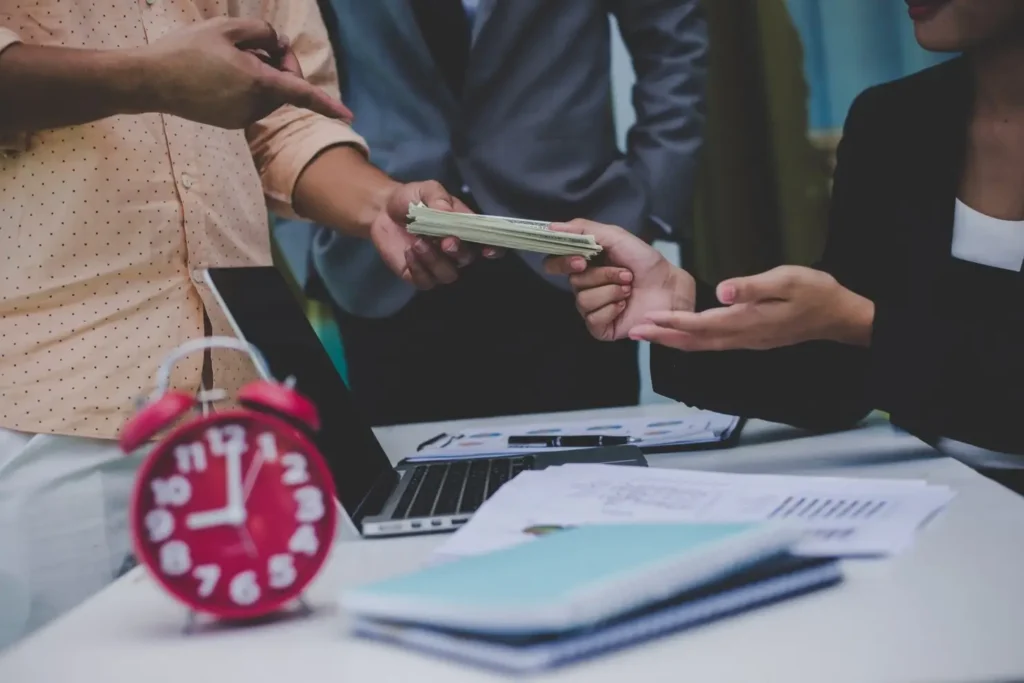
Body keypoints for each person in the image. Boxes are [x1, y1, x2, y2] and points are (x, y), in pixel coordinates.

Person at [0, 1, 475, 647]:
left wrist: (375, 205)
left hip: (245, 409)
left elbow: (282, 123)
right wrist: (149, 77)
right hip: (43, 402)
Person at [546, 0, 1024, 465]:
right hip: (944, 496)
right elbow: (839, 380)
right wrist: (682, 308)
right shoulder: (895, 120)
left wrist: (864, 324)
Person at [276, 0, 708, 425]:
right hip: (385, 257)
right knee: (411, 489)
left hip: (572, 252)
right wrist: (304, 241)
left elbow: (671, 35)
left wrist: (650, 204)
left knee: (591, 476)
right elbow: (276, 70)